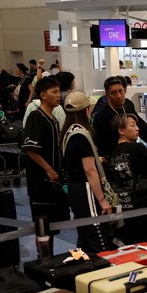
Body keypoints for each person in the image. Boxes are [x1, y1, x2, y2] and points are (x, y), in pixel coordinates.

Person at [60, 91, 115, 252]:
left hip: (74, 188)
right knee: (98, 237)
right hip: (86, 189)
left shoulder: (68, 132)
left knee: (84, 239)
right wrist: (102, 199)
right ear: (86, 110)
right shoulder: (82, 135)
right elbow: (89, 170)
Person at [21, 76, 69, 254]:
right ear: (43, 95)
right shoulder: (36, 117)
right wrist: (48, 169)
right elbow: (30, 149)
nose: (58, 96)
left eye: (59, 92)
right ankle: (44, 259)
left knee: (52, 226)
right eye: (54, 92)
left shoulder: (53, 119)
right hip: (40, 181)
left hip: (54, 180)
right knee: (42, 226)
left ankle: (51, 257)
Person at [107, 113, 147, 243]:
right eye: (132, 125)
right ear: (121, 130)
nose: (137, 129)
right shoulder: (138, 148)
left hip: (124, 208)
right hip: (145, 206)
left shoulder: (112, 154)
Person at [92, 76, 147, 158]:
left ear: (125, 90)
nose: (119, 96)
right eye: (114, 93)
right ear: (107, 95)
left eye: (121, 91)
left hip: (132, 152)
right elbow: (103, 147)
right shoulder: (101, 117)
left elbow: (143, 129)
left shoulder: (128, 105)